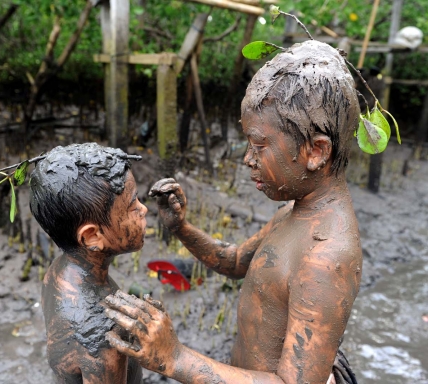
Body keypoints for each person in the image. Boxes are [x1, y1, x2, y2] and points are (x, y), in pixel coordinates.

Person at [103, 40, 362, 384]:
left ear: (316, 151)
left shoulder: (327, 257)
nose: (247, 159)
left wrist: (175, 358)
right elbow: (237, 260)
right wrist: (182, 228)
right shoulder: (294, 212)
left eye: (259, 146)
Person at [29, 143, 148, 384]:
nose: (143, 210)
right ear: (92, 237)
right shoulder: (105, 338)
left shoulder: (58, 272)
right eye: (132, 206)